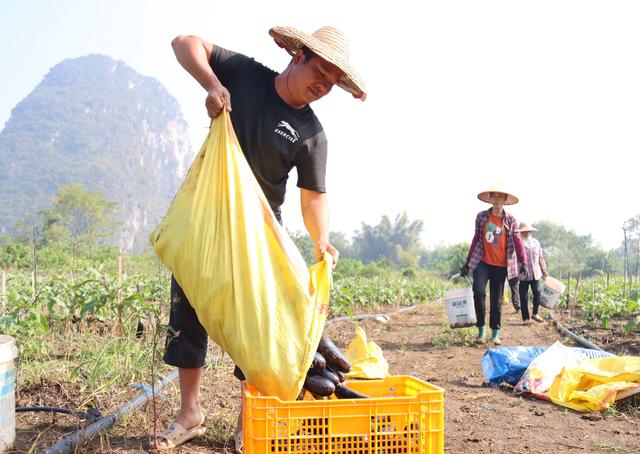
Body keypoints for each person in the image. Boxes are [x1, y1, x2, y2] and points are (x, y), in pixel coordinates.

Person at [153, 26, 366, 451]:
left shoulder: (312, 134)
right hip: (207, 224)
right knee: (189, 317)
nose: (322, 87)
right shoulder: (246, 74)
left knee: (262, 331)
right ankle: (190, 412)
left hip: (260, 239)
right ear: (297, 56)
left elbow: (314, 197)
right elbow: (184, 43)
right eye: (319, 73)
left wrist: (321, 240)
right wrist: (213, 86)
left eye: (330, 84)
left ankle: (249, 418)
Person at [459, 184, 528, 345]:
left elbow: (518, 241)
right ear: (490, 199)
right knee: (478, 292)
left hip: (501, 265)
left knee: (496, 300)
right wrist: (467, 263)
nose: (497, 200)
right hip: (482, 262)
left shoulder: (510, 220)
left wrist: (523, 261)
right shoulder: (482, 217)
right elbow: (476, 239)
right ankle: (481, 331)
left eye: (500, 197)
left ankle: (495, 333)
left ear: (505, 200)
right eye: (494, 196)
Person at [517, 222, 548, 324]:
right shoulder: (518, 243)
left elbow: (541, 258)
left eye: (528, 231)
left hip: (535, 273)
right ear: (521, 232)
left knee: (537, 291)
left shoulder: (536, 242)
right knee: (523, 295)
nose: (527, 232)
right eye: (525, 231)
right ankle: (526, 318)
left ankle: (535, 313)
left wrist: (544, 271)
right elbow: (513, 259)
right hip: (523, 274)